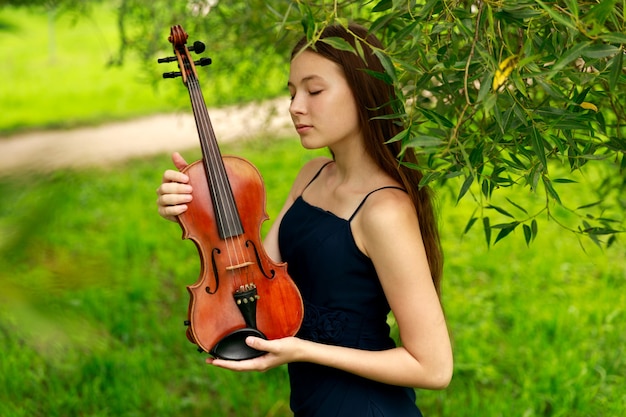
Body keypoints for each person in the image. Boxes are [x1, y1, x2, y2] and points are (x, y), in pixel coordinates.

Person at [156, 23, 452, 417]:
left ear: (365, 92)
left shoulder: (384, 211)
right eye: (292, 92)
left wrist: (302, 350)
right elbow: (252, 277)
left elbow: (433, 367)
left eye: (314, 91)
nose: (295, 106)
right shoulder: (312, 175)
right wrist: (195, 204)